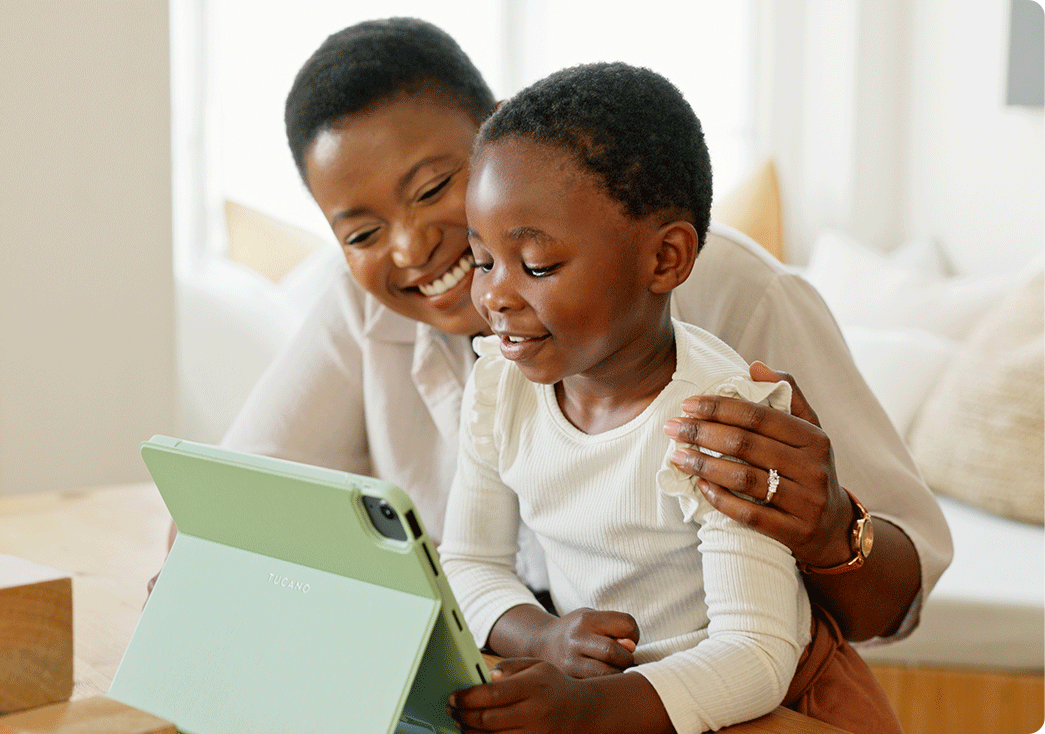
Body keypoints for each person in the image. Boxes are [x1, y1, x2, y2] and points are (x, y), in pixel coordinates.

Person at [211, 17, 950, 646]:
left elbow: (895, 603)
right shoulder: (366, 306)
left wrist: (831, 528)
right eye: (362, 232)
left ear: (497, 131)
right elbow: (230, 502)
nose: (410, 248)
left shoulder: (736, 294)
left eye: (434, 188)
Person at [439, 60, 900, 734]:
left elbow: (755, 655)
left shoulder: (724, 419)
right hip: (620, 703)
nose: (494, 296)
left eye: (536, 265)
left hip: (776, 705)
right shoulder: (499, 387)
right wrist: (545, 638)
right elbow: (468, 561)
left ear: (665, 259)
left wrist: (592, 709)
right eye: (482, 260)